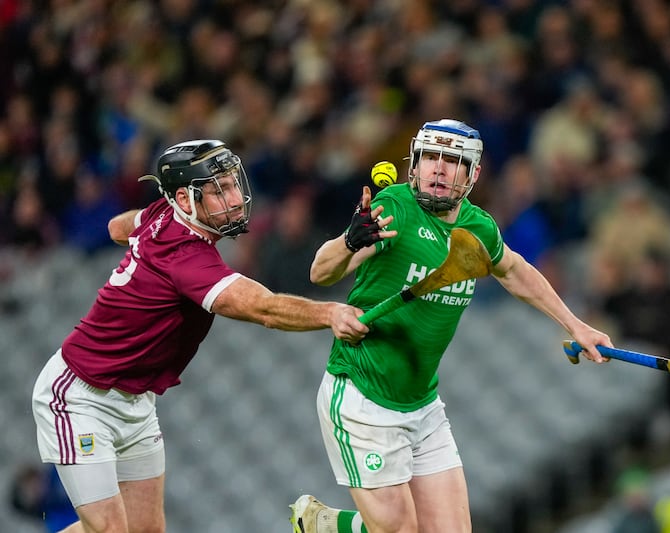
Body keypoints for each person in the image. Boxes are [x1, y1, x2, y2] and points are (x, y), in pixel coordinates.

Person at [289, 119, 613, 533]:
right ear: (416, 165)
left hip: (422, 406)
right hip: (363, 400)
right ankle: (327, 526)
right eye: (430, 159)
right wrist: (349, 241)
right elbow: (321, 273)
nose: (438, 170)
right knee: (401, 531)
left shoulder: (477, 228)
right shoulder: (394, 207)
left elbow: (514, 270)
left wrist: (576, 325)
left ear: (472, 174)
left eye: (452, 161)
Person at [30, 139, 369, 533]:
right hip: (81, 397)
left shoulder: (162, 214)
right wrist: (330, 311)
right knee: (109, 530)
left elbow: (117, 227)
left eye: (232, 184)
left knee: (145, 531)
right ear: (184, 200)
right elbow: (265, 309)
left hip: (135, 402)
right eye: (219, 190)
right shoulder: (187, 258)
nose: (236, 198)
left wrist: (145, 237)